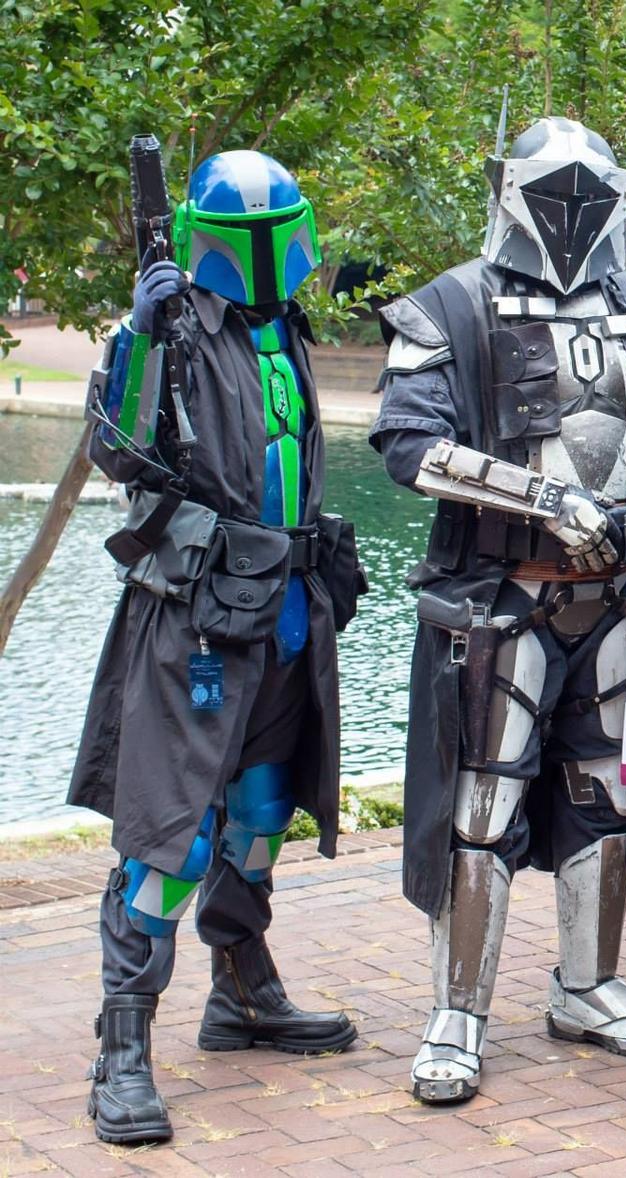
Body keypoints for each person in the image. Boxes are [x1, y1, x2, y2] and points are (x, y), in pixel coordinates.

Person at [369, 116, 626, 1106]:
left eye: (590, 195)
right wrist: (544, 501)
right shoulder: (454, 306)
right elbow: (409, 443)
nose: (572, 214)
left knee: (611, 790)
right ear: (509, 191)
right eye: (552, 193)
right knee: (481, 803)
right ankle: (459, 1010)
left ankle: (588, 983)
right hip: (503, 602)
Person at [72, 148, 363, 1144]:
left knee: (262, 811)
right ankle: (122, 1050)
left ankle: (241, 989)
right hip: (195, 622)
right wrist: (140, 336)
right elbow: (118, 450)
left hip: (286, 612)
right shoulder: (171, 329)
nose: (268, 254)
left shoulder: (286, 326)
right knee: (173, 837)